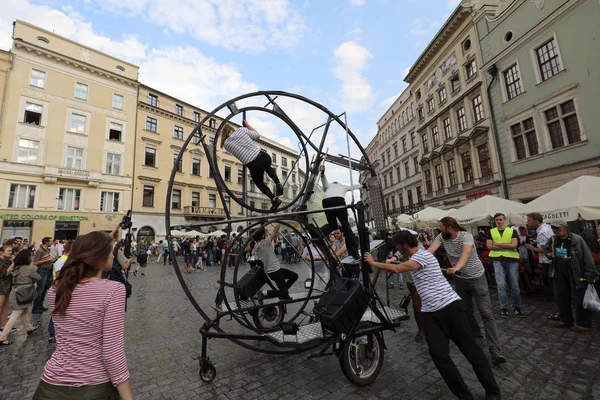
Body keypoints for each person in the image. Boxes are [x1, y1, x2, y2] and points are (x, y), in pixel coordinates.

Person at [364, 231, 501, 400]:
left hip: (451, 308)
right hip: (430, 313)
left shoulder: (423, 256)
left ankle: (493, 392)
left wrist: (373, 262)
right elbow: (398, 262)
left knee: (471, 352)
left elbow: (397, 268)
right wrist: (390, 259)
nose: (396, 249)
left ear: (404, 244)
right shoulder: (411, 256)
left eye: (397, 245)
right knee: (438, 355)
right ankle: (464, 396)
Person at [33, 231, 133, 400]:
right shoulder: (113, 290)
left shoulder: (55, 289)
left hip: (50, 384)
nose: (112, 256)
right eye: (110, 252)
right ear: (100, 256)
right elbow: (112, 352)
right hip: (93, 384)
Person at [428, 217, 507, 366]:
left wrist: (456, 267)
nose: (439, 229)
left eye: (441, 227)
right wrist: (419, 260)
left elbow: (466, 252)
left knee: (485, 312)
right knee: (466, 310)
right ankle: (477, 336)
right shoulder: (441, 237)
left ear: (449, 227)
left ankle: (495, 350)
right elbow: (430, 251)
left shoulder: (467, 236)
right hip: (460, 279)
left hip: (477, 278)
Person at [544, 221, 598, 332]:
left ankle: (584, 324)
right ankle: (565, 319)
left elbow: (587, 256)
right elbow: (546, 248)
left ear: (565, 227)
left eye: (557, 228)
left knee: (579, 298)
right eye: (553, 228)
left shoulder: (577, 239)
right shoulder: (553, 239)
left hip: (575, 271)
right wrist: (548, 254)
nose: (555, 230)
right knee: (561, 296)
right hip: (558, 270)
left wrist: (590, 273)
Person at [221, 120, 284, 210]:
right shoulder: (242, 130)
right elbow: (257, 135)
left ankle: (274, 199)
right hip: (263, 156)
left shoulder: (226, 144)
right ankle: (278, 183)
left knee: (260, 184)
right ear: (232, 130)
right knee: (268, 167)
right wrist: (247, 125)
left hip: (253, 164)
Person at [318, 164, 360, 261]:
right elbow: (353, 187)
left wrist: (323, 173)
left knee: (332, 224)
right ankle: (354, 253)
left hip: (326, 201)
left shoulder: (328, 186)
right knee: (346, 227)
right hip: (338, 201)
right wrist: (363, 185)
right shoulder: (343, 186)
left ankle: (318, 232)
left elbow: (324, 182)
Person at [486, 213, 524, 318]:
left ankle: (517, 307)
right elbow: (489, 246)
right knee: (501, 285)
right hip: (497, 260)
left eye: (500, 219)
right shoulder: (491, 232)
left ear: (504, 220)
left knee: (515, 285)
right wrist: (507, 246)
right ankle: (504, 308)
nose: (499, 221)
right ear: (495, 221)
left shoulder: (512, 231)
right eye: (497, 220)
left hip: (512, 260)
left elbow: (514, 245)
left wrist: (497, 244)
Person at [0, 250, 40, 345]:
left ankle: (29, 328)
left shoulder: (16, 267)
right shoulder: (29, 268)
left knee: (24, 310)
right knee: (16, 314)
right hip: (24, 292)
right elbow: (38, 277)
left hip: (15, 291)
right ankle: (2, 337)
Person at [253, 224, 298, 302]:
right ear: (261, 236)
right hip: (274, 271)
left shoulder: (256, 246)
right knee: (283, 291)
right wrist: (278, 221)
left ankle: (283, 293)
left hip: (275, 270)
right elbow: (276, 229)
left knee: (294, 276)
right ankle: (264, 293)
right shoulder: (264, 243)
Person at [525, 212, 557, 318]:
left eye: (529, 220)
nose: (527, 223)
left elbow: (544, 250)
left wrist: (531, 248)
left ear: (536, 221)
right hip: (553, 260)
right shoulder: (547, 228)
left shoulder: (542, 232)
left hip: (548, 262)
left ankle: (559, 310)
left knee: (554, 286)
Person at [48, 240, 73, 344]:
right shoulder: (61, 261)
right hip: (60, 290)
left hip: (66, 289)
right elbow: (59, 277)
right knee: (57, 311)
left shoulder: (68, 260)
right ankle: (52, 333)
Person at [32, 237, 55, 314]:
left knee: (44, 290)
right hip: (42, 271)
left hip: (48, 271)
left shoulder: (47, 250)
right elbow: (35, 262)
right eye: (50, 241)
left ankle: (40, 305)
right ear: (46, 242)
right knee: (40, 290)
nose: (51, 243)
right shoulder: (40, 251)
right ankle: (35, 308)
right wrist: (47, 260)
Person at [0, 245, 14, 333]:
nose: (10, 252)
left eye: (11, 251)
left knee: (5, 307)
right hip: (1, 287)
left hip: (7, 286)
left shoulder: (8, 261)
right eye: (8, 251)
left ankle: (3, 326)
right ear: (1, 252)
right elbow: (3, 273)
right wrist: (12, 265)